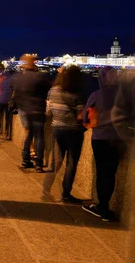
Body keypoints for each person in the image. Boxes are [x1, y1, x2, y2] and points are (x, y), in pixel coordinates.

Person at [81, 67, 122, 221]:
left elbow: (86, 116)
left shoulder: (96, 95)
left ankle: (102, 206)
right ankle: (106, 208)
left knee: (101, 172)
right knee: (111, 173)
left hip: (100, 138)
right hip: (118, 139)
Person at [42, 65, 86, 203]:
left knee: (54, 162)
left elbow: (48, 111)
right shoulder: (76, 94)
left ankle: (45, 191)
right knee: (71, 163)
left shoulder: (52, 91)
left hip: (57, 129)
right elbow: (81, 115)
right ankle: (66, 194)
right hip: (74, 131)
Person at [12, 55, 51, 172]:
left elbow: (16, 95)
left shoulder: (19, 78)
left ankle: (25, 160)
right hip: (38, 109)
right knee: (39, 136)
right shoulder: (41, 77)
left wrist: (22, 106)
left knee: (28, 135)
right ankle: (39, 164)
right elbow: (47, 91)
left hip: (25, 110)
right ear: (35, 66)